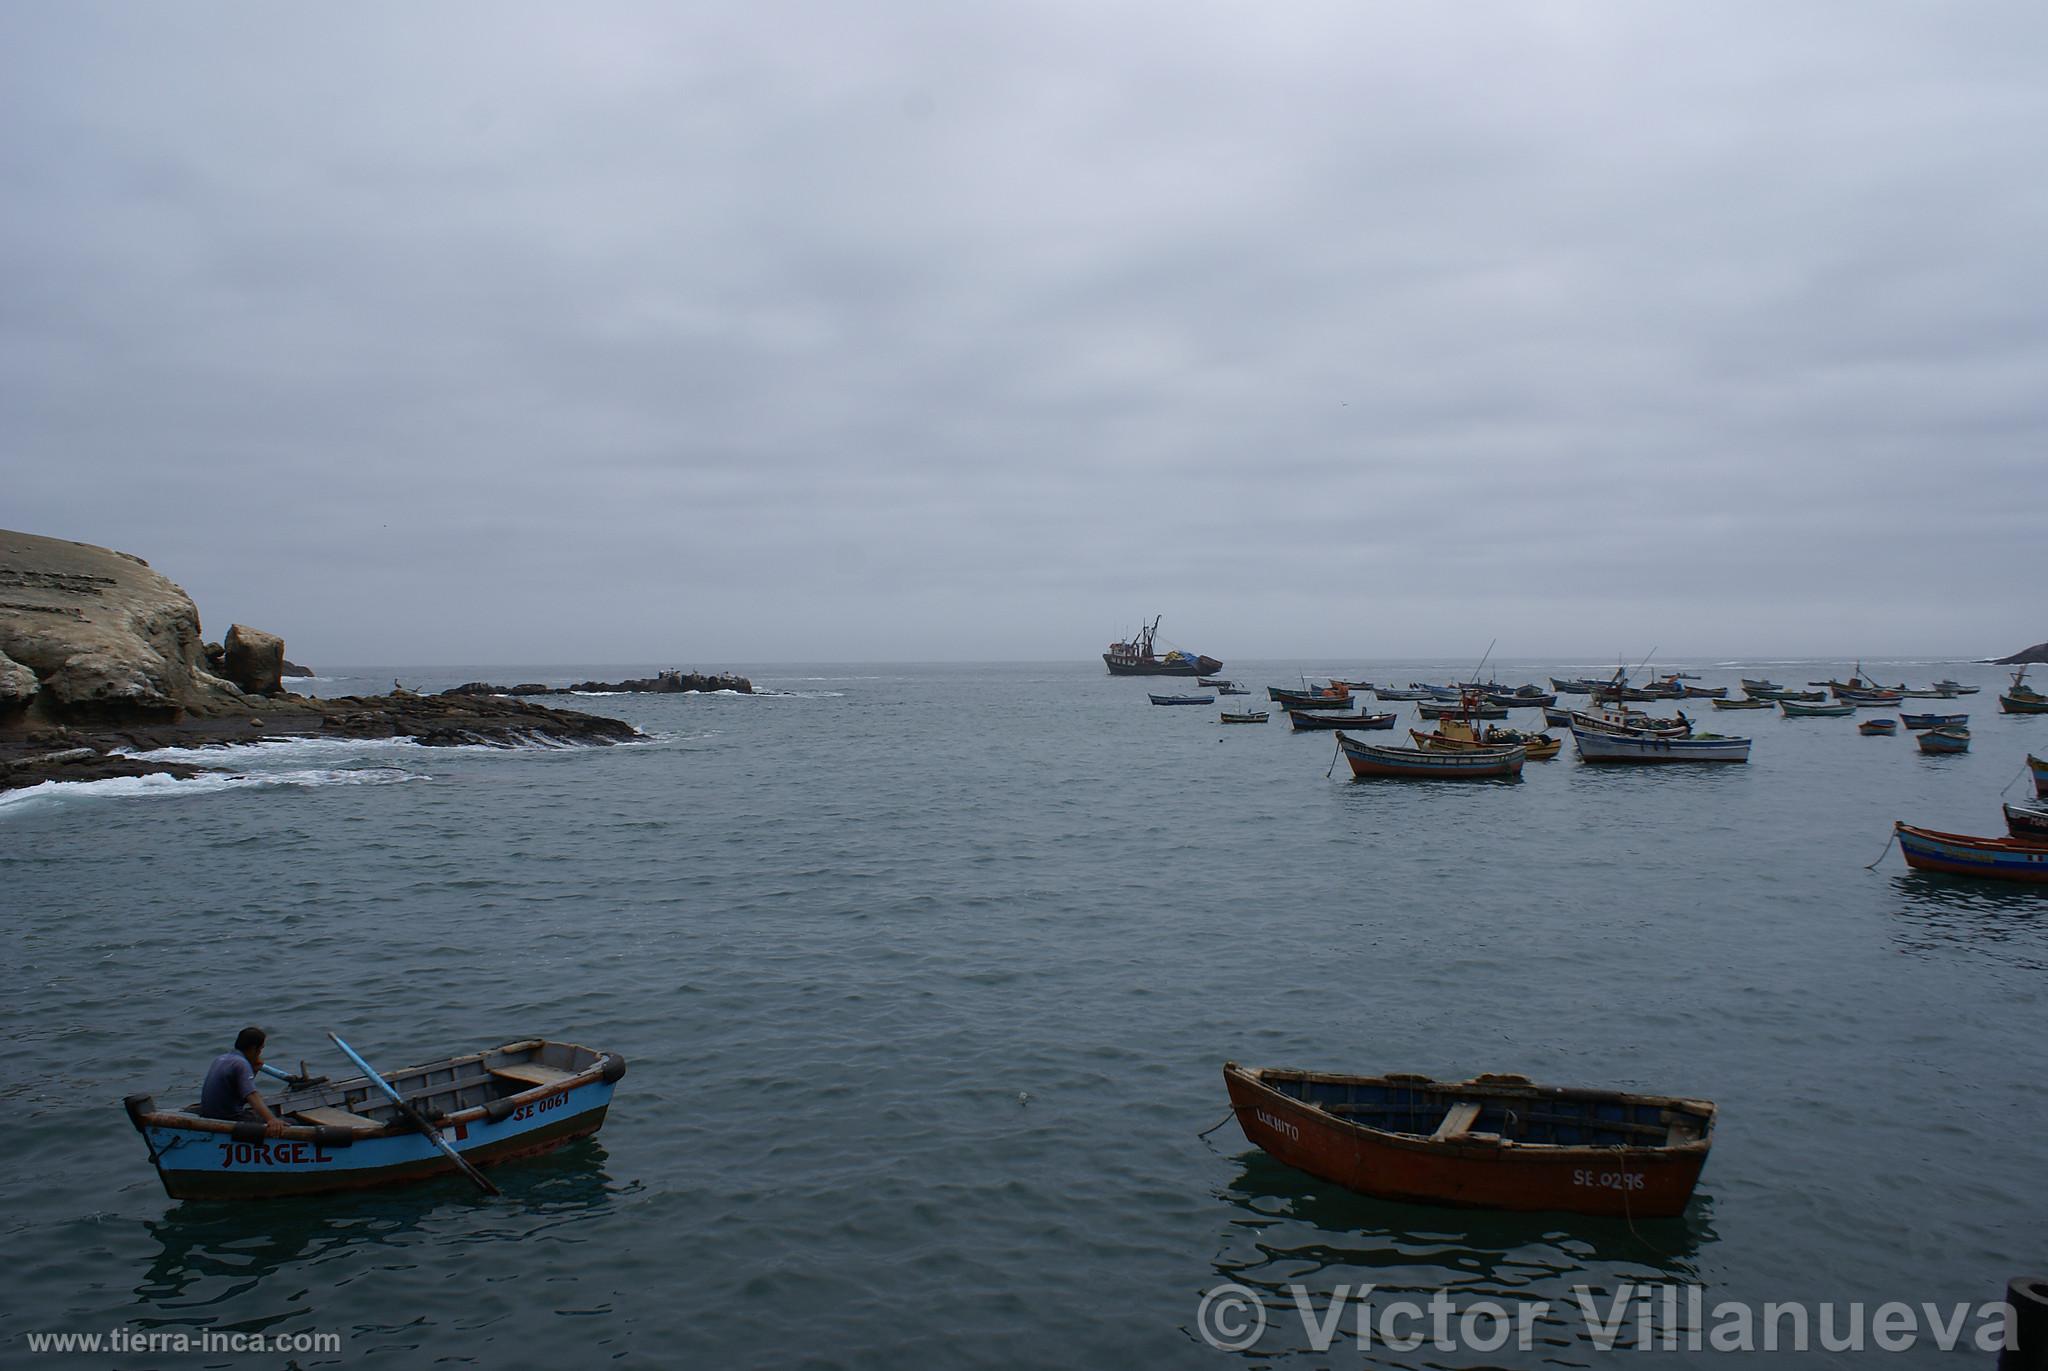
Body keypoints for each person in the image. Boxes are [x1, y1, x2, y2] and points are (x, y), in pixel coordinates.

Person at [200, 1026, 286, 1136]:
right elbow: (251, 1095)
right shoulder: (241, 1064)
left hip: (210, 1115)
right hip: (229, 1118)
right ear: (254, 1048)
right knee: (291, 1122)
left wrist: (254, 1071)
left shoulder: (221, 1059)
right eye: (260, 1049)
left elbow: (239, 1090)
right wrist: (272, 1120)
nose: (260, 1053)